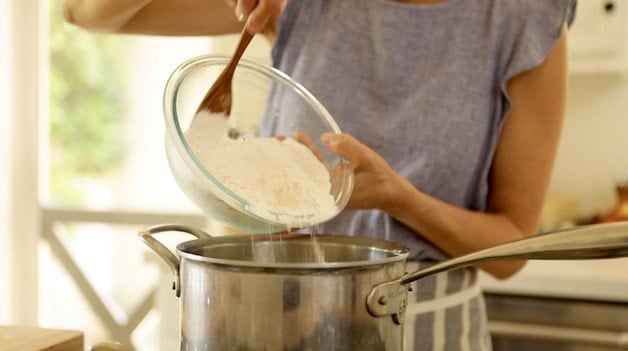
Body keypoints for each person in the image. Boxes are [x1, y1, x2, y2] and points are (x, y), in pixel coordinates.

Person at [62, 1, 576, 350]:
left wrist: (399, 199)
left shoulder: (524, 16)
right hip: (278, 323)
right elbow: (85, 11)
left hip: (431, 329)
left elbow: (512, 247)